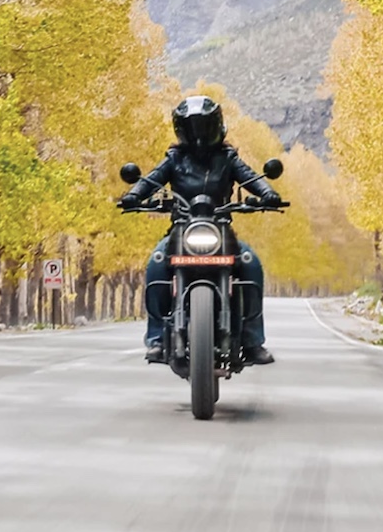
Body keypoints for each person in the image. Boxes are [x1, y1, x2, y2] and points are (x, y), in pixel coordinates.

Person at [118, 95, 282, 366]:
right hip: (181, 229)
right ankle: (157, 339)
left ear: (216, 126)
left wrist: (268, 193)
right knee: (156, 264)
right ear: (182, 130)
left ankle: (253, 342)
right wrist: (133, 195)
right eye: (192, 128)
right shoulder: (174, 159)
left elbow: (251, 178)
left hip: (220, 227)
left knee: (251, 265)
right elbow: (152, 180)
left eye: (204, 127)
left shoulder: (228, 158)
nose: (199, 135)